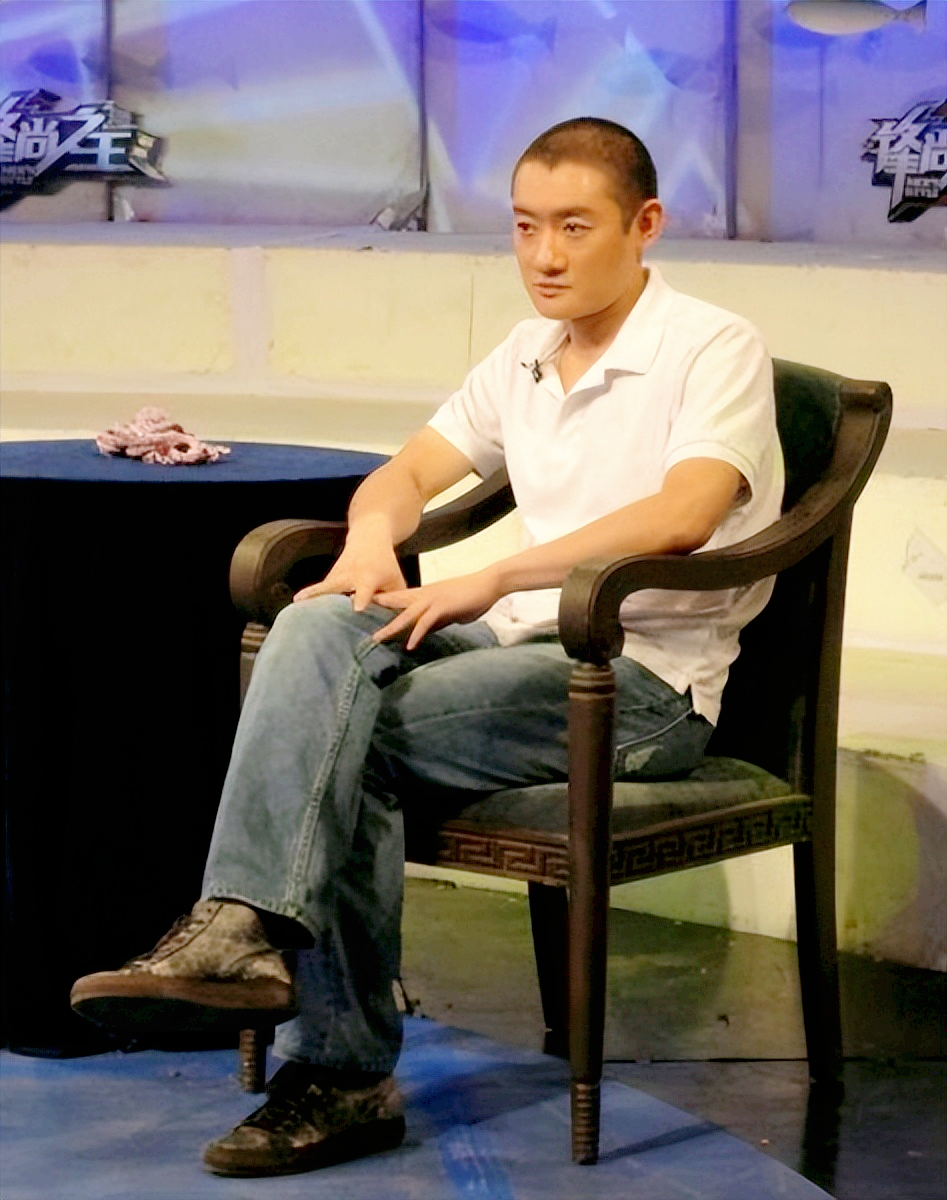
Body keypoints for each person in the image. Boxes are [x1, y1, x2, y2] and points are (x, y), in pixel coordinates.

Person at [70, 117, 783, 1178]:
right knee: (319, 621)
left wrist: (494, 575)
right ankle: (246, 938)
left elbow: (683, 514)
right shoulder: (527, 351)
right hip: (521, 650)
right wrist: (368, 539)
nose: (543, 255)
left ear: (643, 225)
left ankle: (327, 1050)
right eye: (524, 226)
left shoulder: (709, 345)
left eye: (574, 226)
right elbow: (404, 475)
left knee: (341, 737)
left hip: (637, 681)